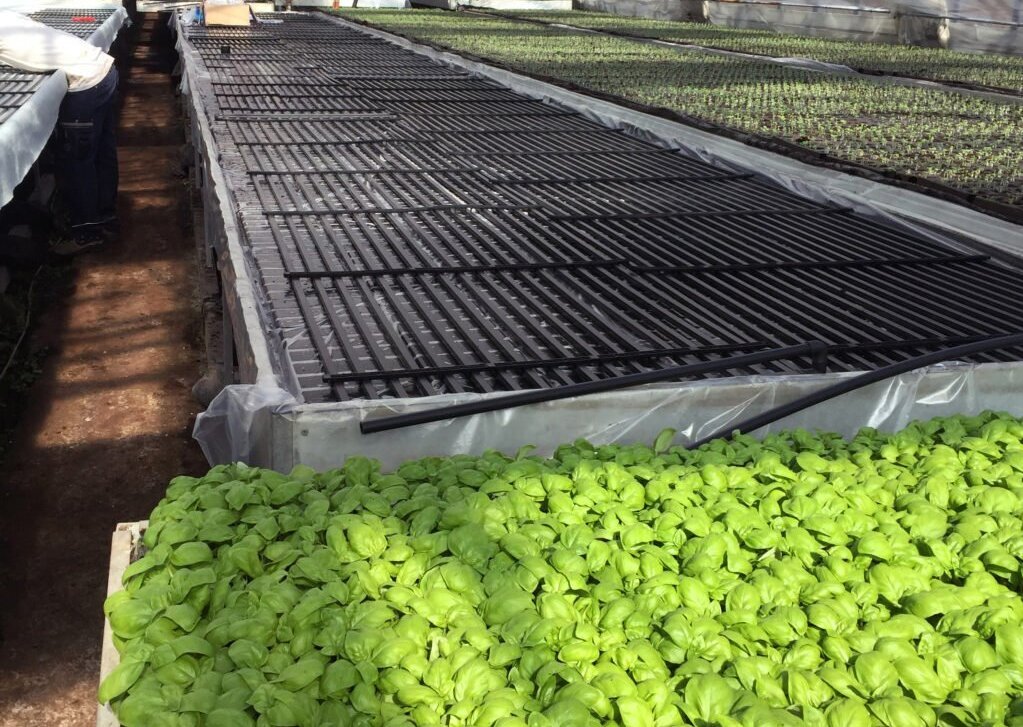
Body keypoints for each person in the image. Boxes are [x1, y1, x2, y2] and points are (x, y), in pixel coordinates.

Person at [0, 10, 119, 255]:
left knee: (77, 160)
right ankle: (106, 218)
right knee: (101, 154)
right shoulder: (7, 17)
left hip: (87, 82)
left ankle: (86, 233)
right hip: (104, 70)